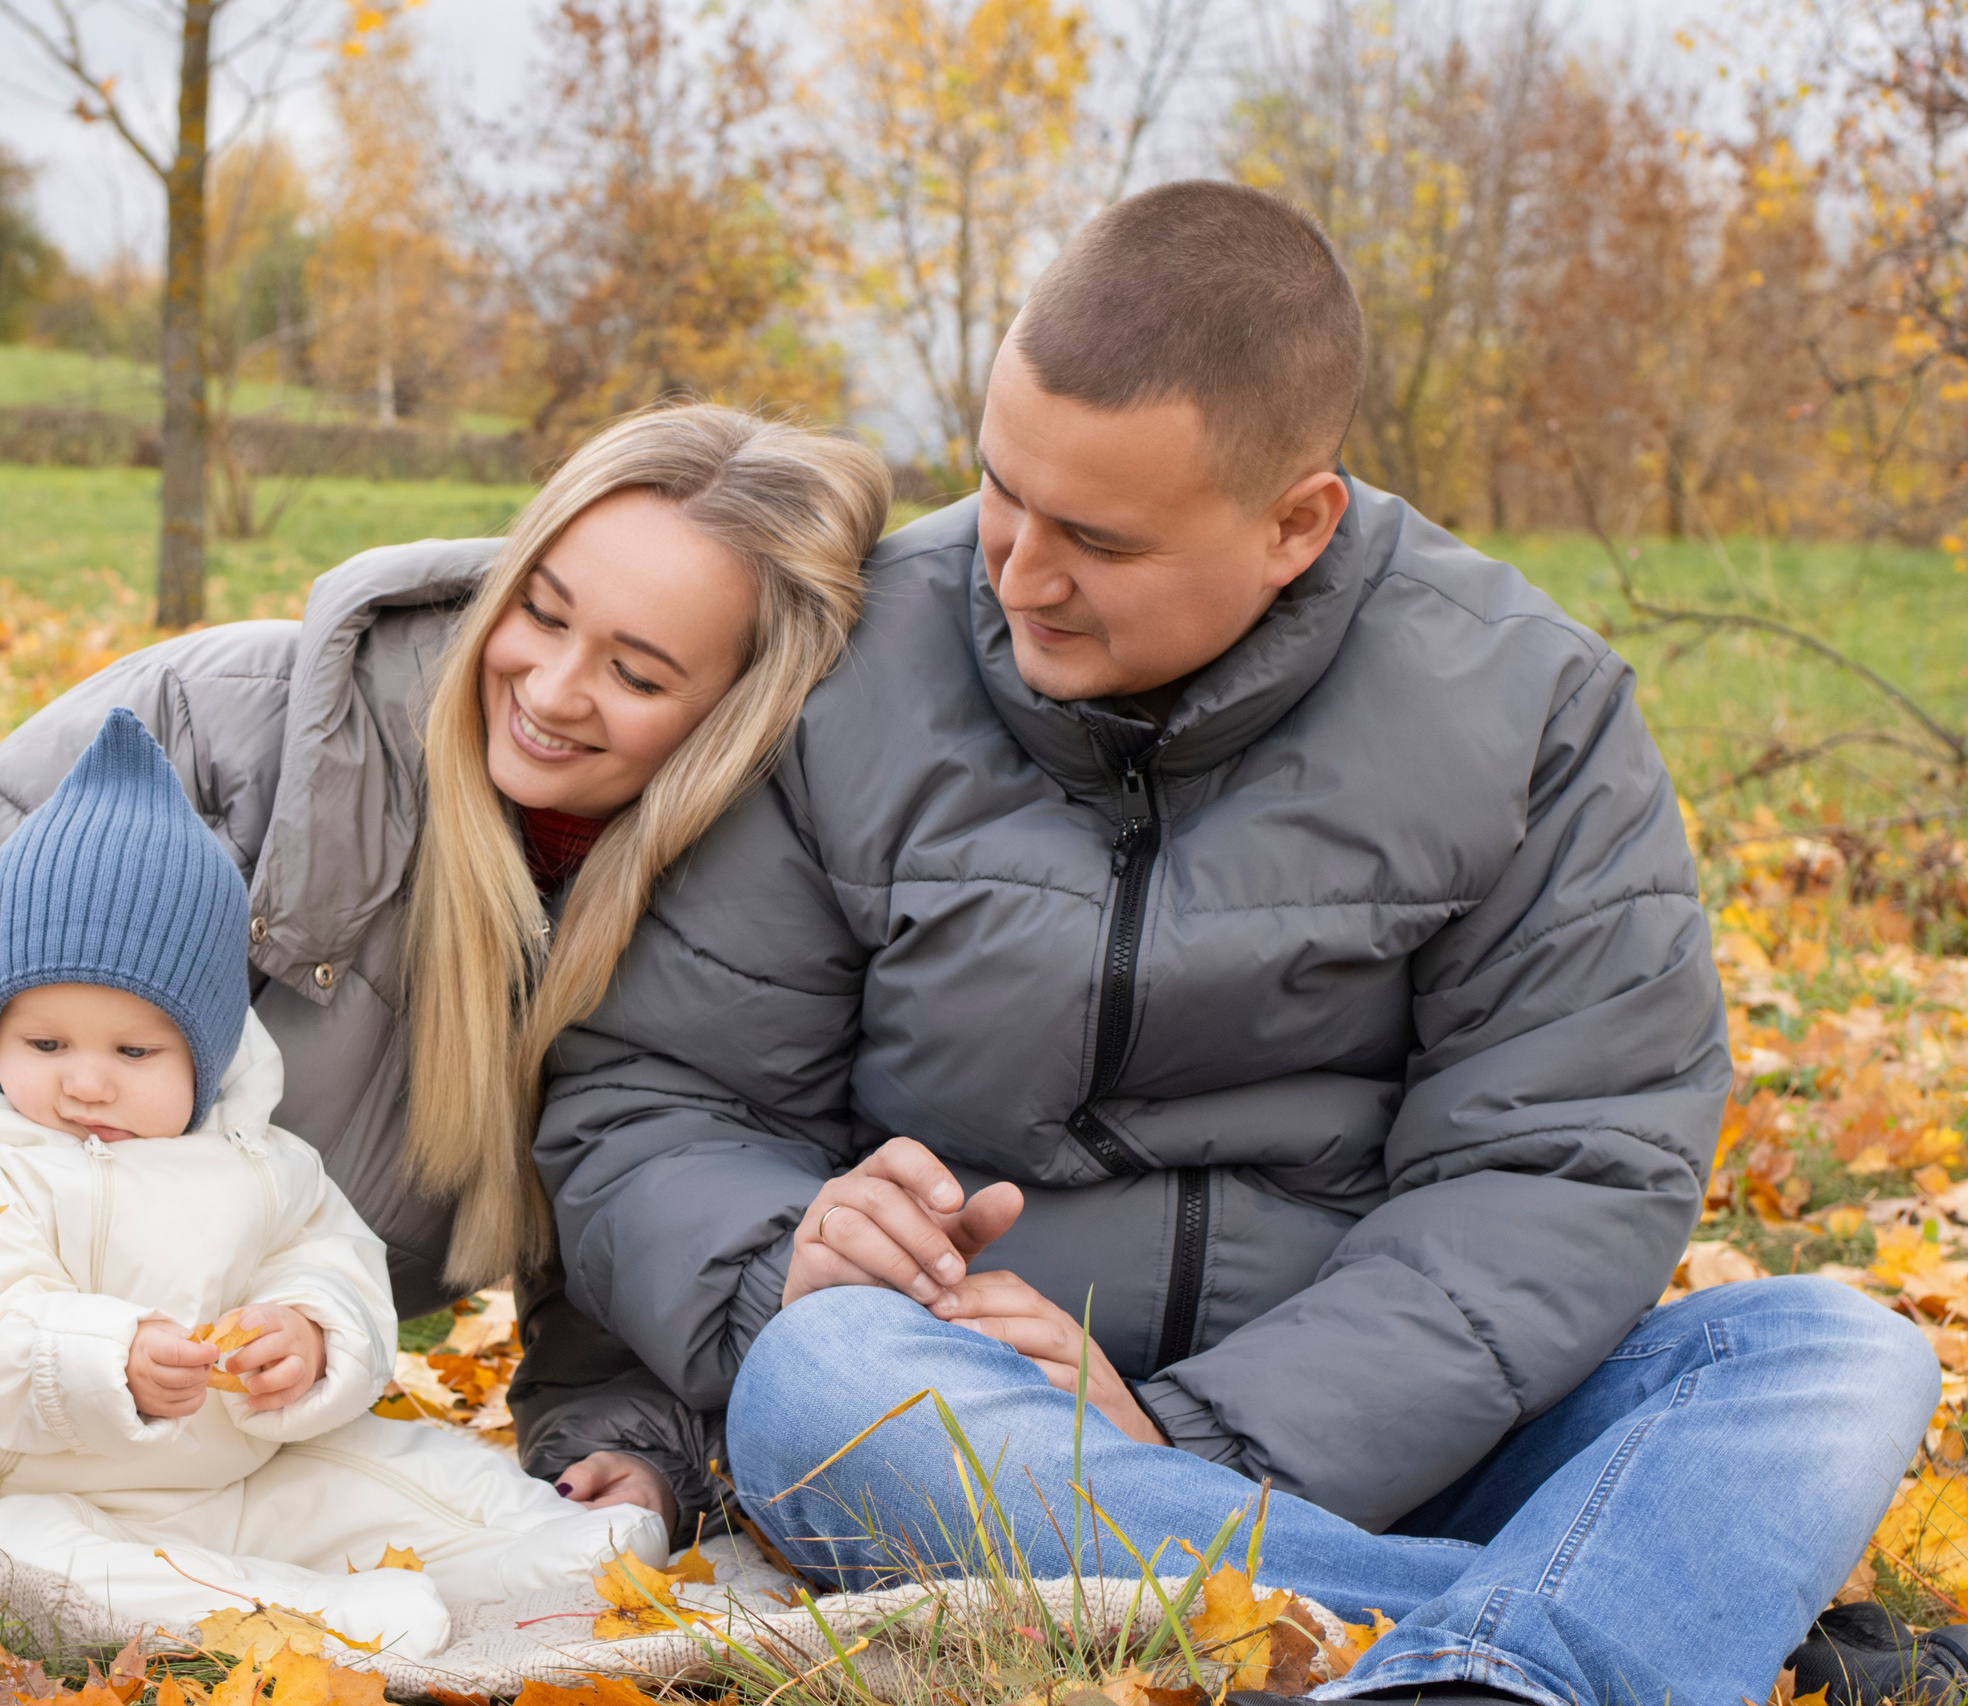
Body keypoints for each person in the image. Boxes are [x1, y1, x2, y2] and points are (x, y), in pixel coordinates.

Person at [520, 182, 1942, 1706]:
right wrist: (783, 1256)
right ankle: (1578, 1635)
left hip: (1389, 1434)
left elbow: (1564, 1161)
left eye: (1099, 539)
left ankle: (1490, 1641)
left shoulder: (1528, 710)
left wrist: (1197, 1434)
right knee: (820, 1385)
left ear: (1296, 522)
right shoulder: (849, 659)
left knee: (1830, 1350)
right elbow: (657, 1094)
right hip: (962, 1426)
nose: (1014, 574)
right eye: (1002, 488)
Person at [0, 404, 888, 1583]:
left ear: (736, 711)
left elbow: (632, 1191)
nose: (554, 686)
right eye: (542, 610)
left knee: (61, 1537)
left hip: (64, 1367)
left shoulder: (700, 913)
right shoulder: (245, 724)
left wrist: (632, 1442)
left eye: (634, 670)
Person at [0, 707, 664, 1651]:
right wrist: (105, 1358)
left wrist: (311, 1332)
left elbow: (333, 1260)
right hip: (20, 1486)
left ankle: (542, 1547)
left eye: (133, 1049)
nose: (83, 1081)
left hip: (234, 1477)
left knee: (404, 1473)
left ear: (206, 1051)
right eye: (43, 1043)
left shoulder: (257, 1157)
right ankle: (289, 1621)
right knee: (38, 1572)